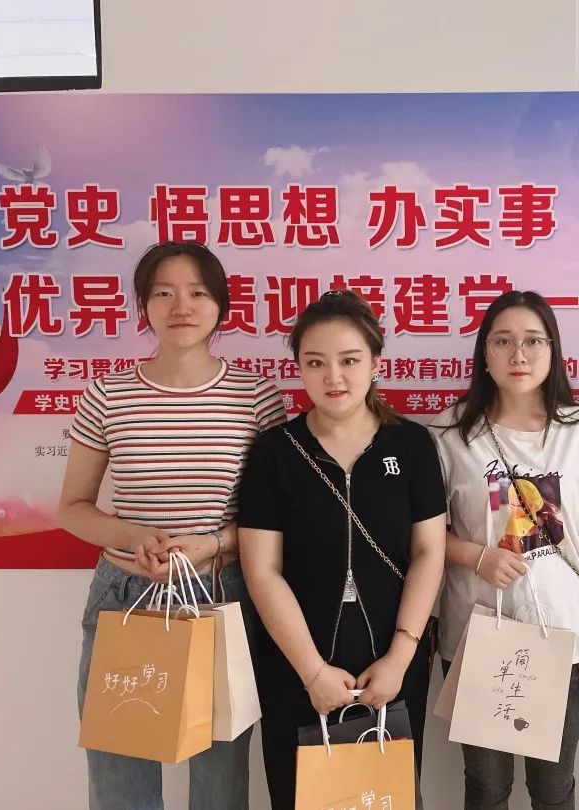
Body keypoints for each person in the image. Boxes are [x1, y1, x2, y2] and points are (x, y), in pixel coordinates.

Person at [59, 240, 286, 810]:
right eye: (163, 293)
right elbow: (73, 507)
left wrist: (211, 543)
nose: (180, 306)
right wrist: (133, 536)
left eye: (197, 293)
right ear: (144, 305)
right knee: (120, 774)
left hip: (219, 591)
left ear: (221, 305)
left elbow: (273, 517)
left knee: (219, 779)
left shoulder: (256, 396)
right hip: (126, 593)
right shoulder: (107, 394)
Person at [237, 290, 446, 809]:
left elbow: (429, 552)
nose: (334, 376)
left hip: (392, 664)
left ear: (376, 363)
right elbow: (262, 570)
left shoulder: (412, 445)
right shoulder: (274, 452)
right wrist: (312, 671)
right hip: (296, 663)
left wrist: (401, 657)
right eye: (316, 363)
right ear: (299, 369)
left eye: (349, 360)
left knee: (387, 797)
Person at [430, 290, 579, 810]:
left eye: (533, 341)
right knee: (486, 788)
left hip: (564, 636)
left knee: (553, 789)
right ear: (484, 353)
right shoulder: (450, 433)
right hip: (477, 634)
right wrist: (476, 556)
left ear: (552, 350)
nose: (518, 355)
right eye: (503, 341)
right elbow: (422, 537)